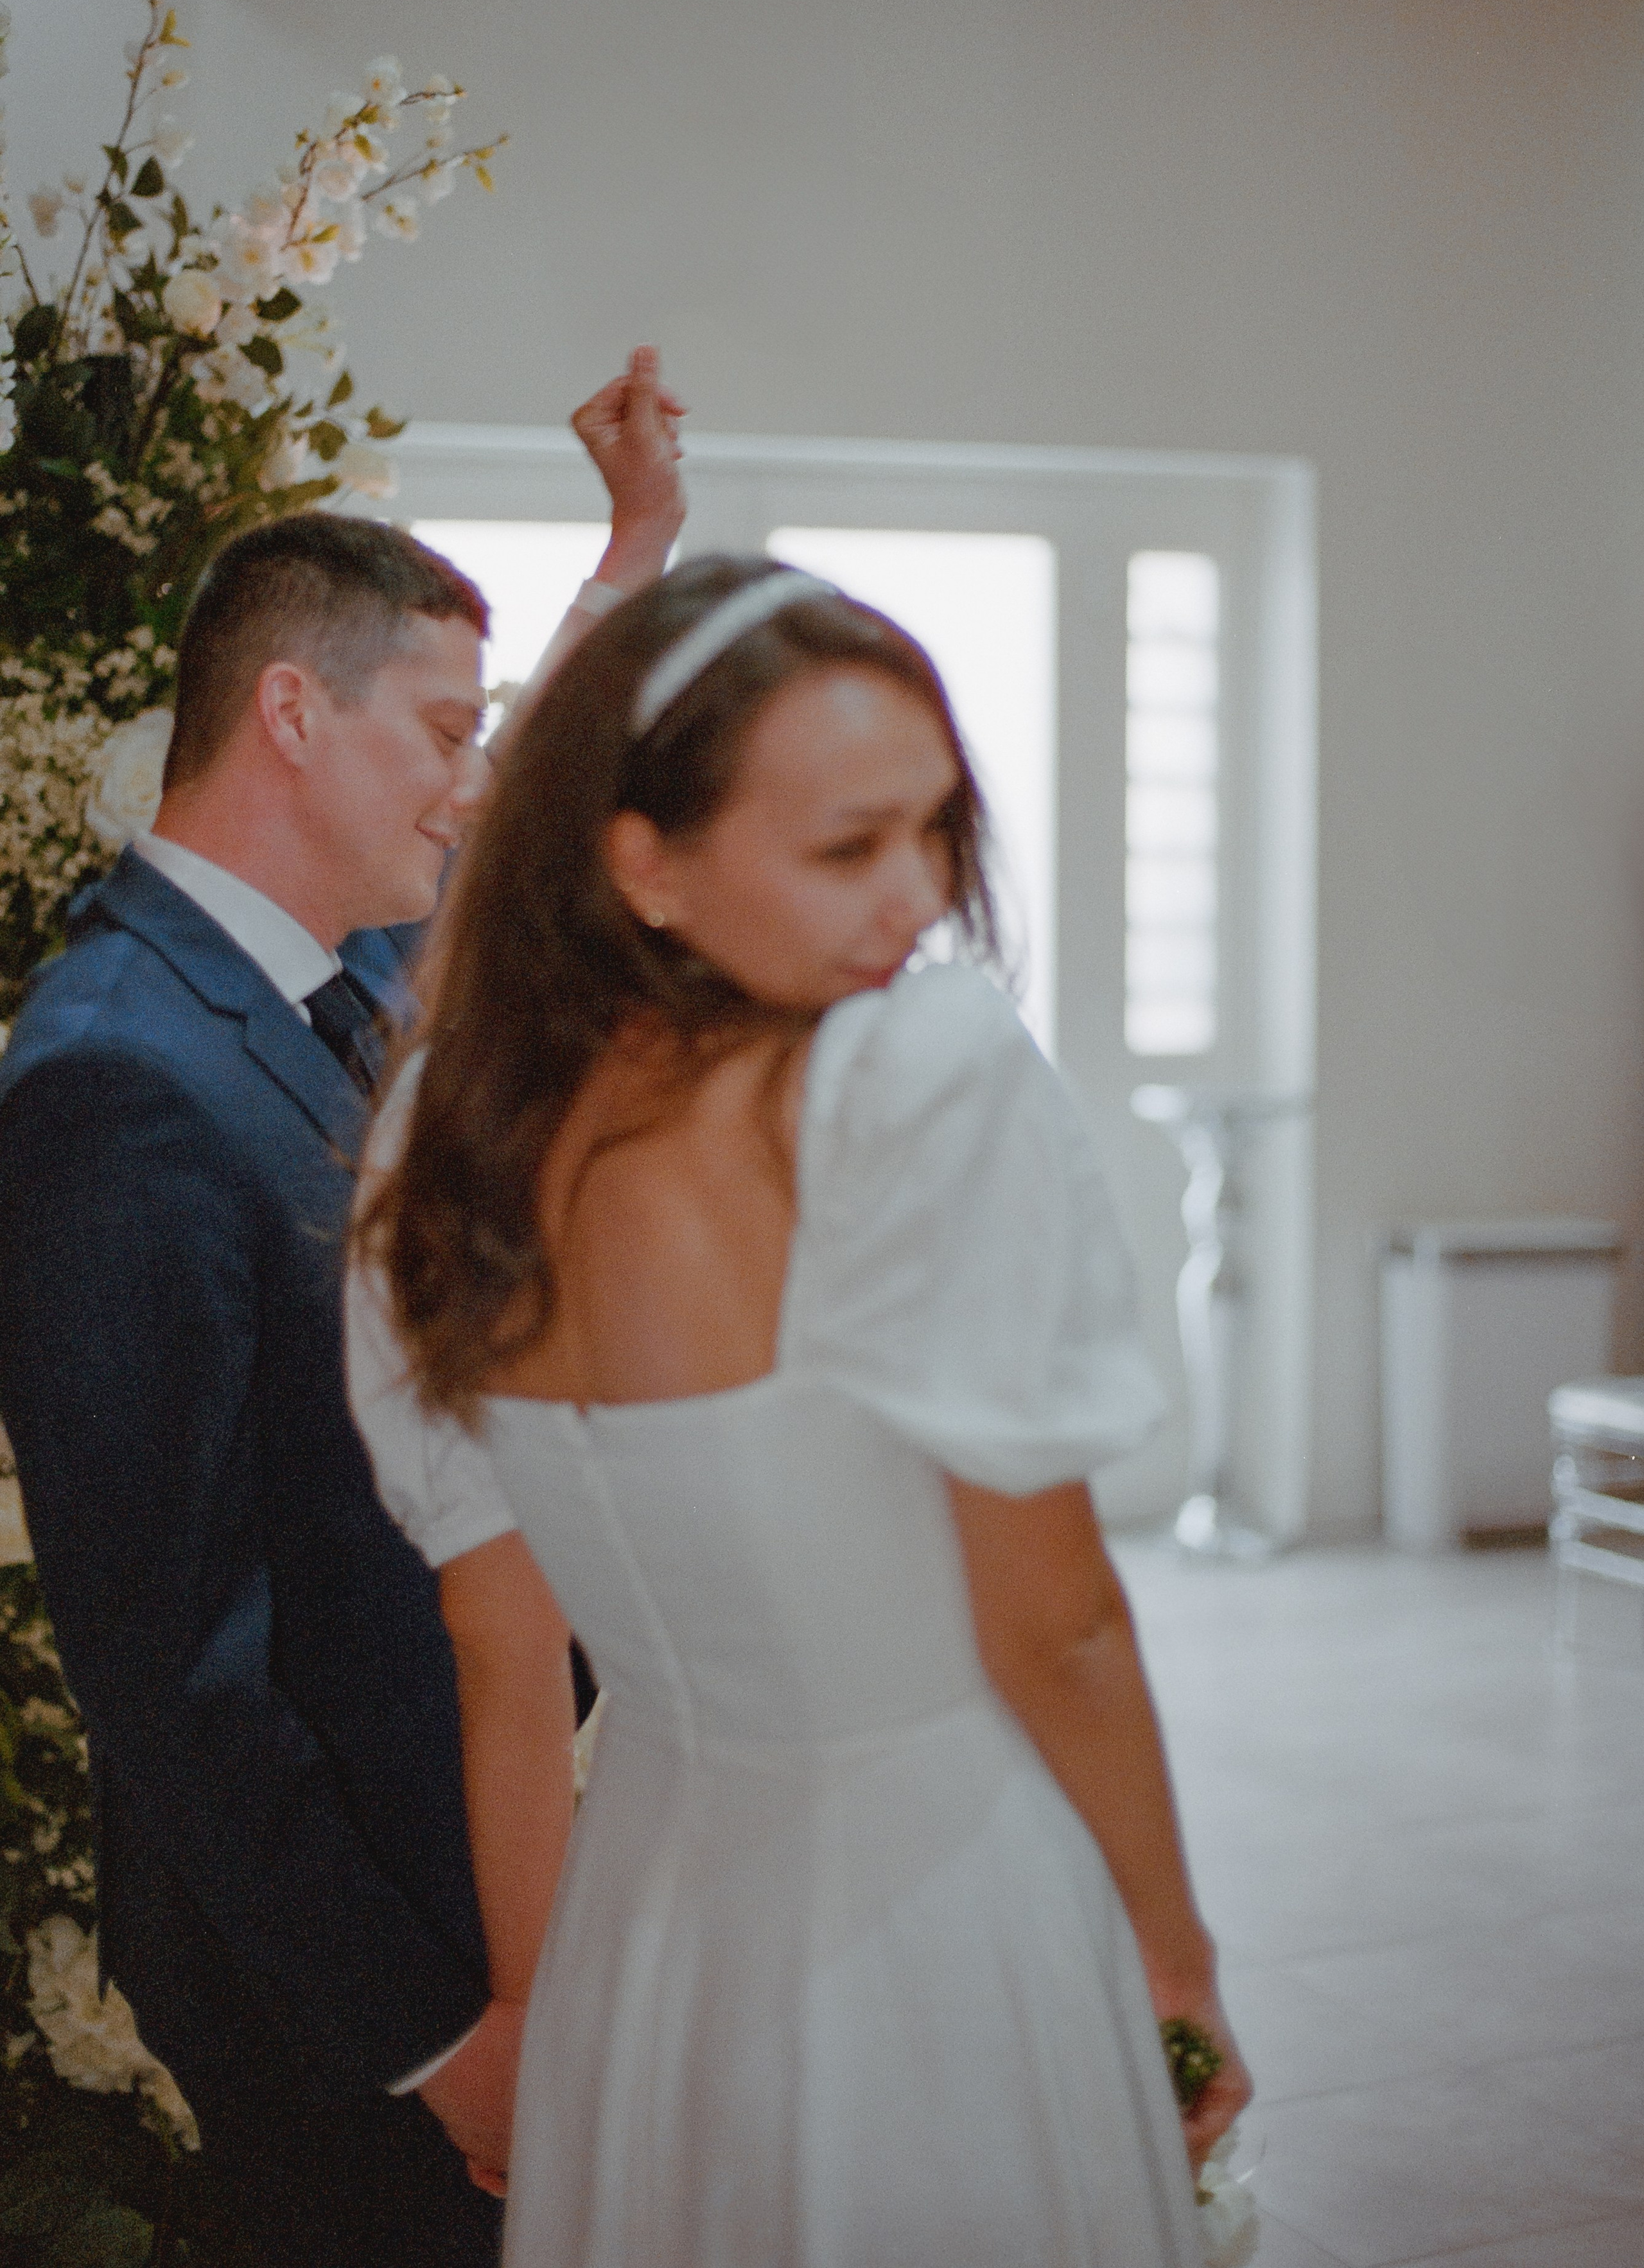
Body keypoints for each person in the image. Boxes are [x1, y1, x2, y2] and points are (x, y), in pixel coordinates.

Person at [348, 554, 1253, 2262]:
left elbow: (500, 1648)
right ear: (646, 864)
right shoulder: (911, 1086)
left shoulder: (442, 1135)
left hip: (647, 1941)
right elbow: (1055, 1621)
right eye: (849, 847)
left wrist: (545, 2015)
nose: (918, 897)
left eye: (937, 830)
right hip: (940, 1901)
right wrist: (1173, 1952)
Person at [0, 349, 685, 2266]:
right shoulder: (115, 1075)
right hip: (348, 1980)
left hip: (475, 1857)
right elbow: (171, 1668)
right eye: (441, 733)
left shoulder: (332, 967)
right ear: (292, 713)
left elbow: (520, 807)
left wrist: (635, 549)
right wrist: (437, 2041)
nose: (472, 789)